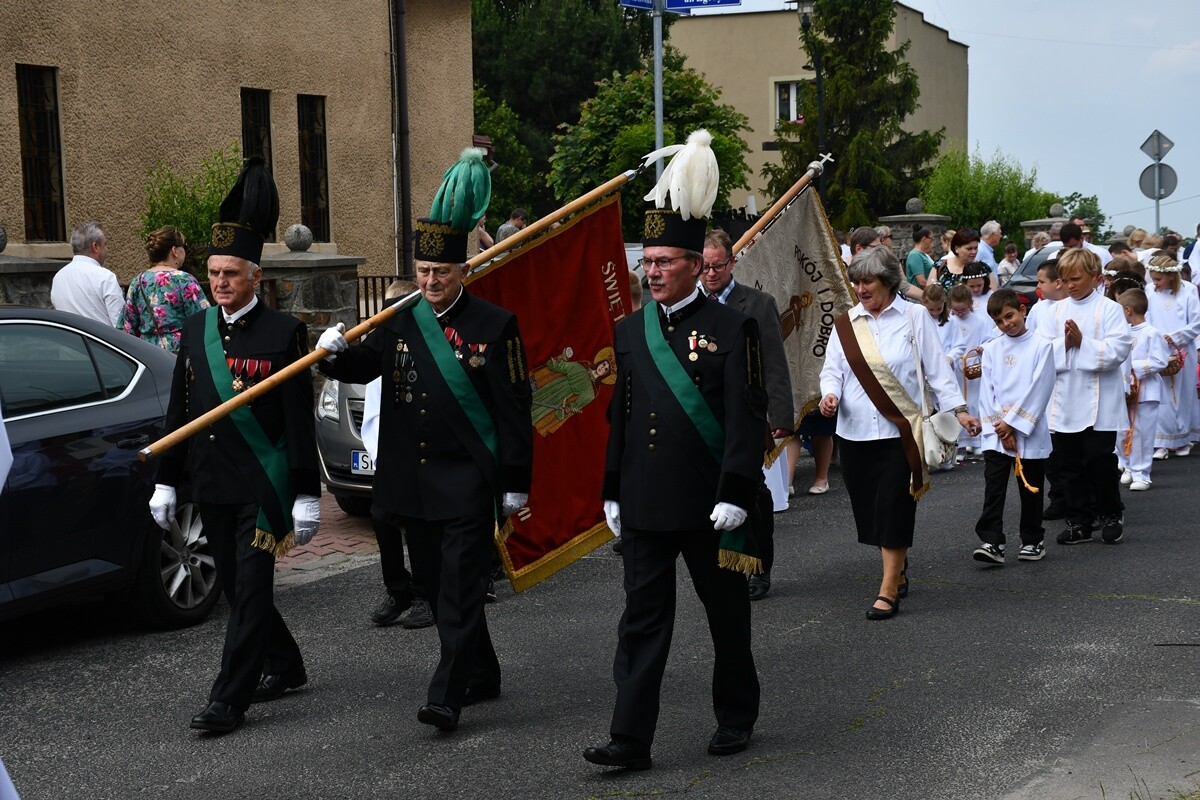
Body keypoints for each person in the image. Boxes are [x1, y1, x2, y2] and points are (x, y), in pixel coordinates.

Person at [317, 148, 532, 734]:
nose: (431, 282)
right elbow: (367, 365)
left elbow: (514, 411)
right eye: (423, 273)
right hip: (411, 481)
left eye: (441, 273)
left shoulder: (495, 325)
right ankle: (482, 670)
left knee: (461, 589)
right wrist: (332, 355)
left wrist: (515, 483)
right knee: (438, 591)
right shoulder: (404, 319)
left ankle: (447, 694)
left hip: (465, 480)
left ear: (462, 270)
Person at [586, 129, 764, 770]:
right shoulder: (630, 331)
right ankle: (630, 738)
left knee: (726, 616)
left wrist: (737, 492)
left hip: (712, 505)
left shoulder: (732, 326)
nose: (653, 273)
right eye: (647, 263)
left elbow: (747, 417)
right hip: (645, 502)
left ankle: (737, 715)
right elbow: (621, 417)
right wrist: (612, 487)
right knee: (641, 623)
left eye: (664, 263)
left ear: (696, 264)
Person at [150, 157, 321, 734]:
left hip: (262, 484)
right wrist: (167, 479)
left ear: (254, 276)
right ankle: (286, 662)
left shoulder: (284, 333)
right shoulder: (196, 329)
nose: (220, 282)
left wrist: (305, 493)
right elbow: (182, 411)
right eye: (214, 273)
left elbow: (298, 422)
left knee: (249, 587)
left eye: (231, 273)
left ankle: (228, 699)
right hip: (211, 479)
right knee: (236, 582)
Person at [818, 247, 978, 619]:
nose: (860, 288)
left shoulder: (914, 316)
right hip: (855, 433)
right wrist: (830, 395)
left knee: (894, 506)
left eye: (868, 281)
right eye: (856, 281)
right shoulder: (846, 323)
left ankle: (888, 587)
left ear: (888, 281)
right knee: (872, 511)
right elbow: (833, 370)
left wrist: (961, 409)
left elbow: (938, 370)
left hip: (902, 431)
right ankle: (898, 566)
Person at [700, 228, 794, 601]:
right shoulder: (690, 306)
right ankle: (723, 562)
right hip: (705, 418)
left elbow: (774, 363)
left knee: (751, 494)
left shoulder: (757, 304)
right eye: (704, 267)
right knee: (711, 495)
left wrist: (780, 416)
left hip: (747, 415)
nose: (710, 273)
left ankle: (758, 564)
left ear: (732, 262)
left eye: (717, 266)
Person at [357, 280, 435, 629]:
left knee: (419, 526)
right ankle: (397, 589)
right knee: (382, 517)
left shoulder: (421, 341)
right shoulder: (384, 341)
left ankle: (425, 594)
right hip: (387, 452)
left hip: (420, 450)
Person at [1044, 248, 1132, 546]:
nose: (1069, 285)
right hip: (1064, 398)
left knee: (1097, 460)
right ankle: (1079, 519)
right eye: (1065, 279)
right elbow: (1042, 352)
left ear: (1095, 277)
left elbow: (1120, 348)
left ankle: (1110, 513)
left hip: (1100, 400)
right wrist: (1065, 345)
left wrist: (1083, 343)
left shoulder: (1109, 309)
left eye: (1076, 279)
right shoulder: (1054, 311)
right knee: (1067, 464)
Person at [970, 289, 1055, 565]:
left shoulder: (1042, 345)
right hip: (998, 432)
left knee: (1029, 486)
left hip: (1027, 429)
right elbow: (988, 391)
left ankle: (1032, 540)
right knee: (994, 487)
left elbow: (1040, 388)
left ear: (1022, 310)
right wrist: (1000, 426)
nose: (1006, 324)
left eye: (1010, 316)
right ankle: (992, 540)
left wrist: (1013, 424)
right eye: (999, 321)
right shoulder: (993, 348)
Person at [118, 226, 210, 353]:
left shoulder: (138, 281)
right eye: (184, 246)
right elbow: (204, 321)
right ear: (174, 251)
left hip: (146, 353)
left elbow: (127, 327)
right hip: (178, 354)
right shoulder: (184, 280)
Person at [1145, 255, 1200, 459]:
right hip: (1158, 348)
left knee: (1183, 394)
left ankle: (1183, 439)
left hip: (1182, 348)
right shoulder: (1150, 291)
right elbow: (1147, 316)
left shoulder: (1188, 290)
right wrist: (1154, 338)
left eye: (1159, 278)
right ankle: (1161, 442)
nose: (1155, 283)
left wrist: (1175, 337)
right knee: (1162, 395)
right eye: (1153, 278)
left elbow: (1196, 322)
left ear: (1171, 276)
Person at [1116, 289, 1168, 492]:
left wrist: (1130, 366)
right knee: (1122, 431)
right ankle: (1127, 464)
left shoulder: (1152, 333)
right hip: (1125, 391)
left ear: (1128, 310)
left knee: (1142, 434)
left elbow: (1159, 361)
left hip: (1147, 392)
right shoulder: (1124, 333)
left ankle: (1142, 473)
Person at [947, 282, 997, 457]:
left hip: (974, 368)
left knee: (975, 403)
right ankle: (959, 444)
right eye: (956, 310)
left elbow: (990, 339)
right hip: (955, 368)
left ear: (970, 304)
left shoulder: (980, 321)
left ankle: (976, 440)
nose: (959, 313)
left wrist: (983, 347)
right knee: (957, 405)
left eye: (963, 310)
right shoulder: (949, 321)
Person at [50, 221, 122, 327]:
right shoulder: (105, 277)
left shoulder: (58, 277)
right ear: (95, 247)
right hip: (101, 341)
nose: (107, 249)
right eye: (105, 245)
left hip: (68, 341)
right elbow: (120, 323)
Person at [929, 228, 981, 292]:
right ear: (956, 248)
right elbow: (929, 296)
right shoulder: (940, 266)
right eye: (969, 249)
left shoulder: (982, 269)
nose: (974, 252)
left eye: (976, 248)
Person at [977, 220, 1002, 289]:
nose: (1001, 236)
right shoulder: (979, 250)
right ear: (993, 235)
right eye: (999, 233)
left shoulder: (987, 250)